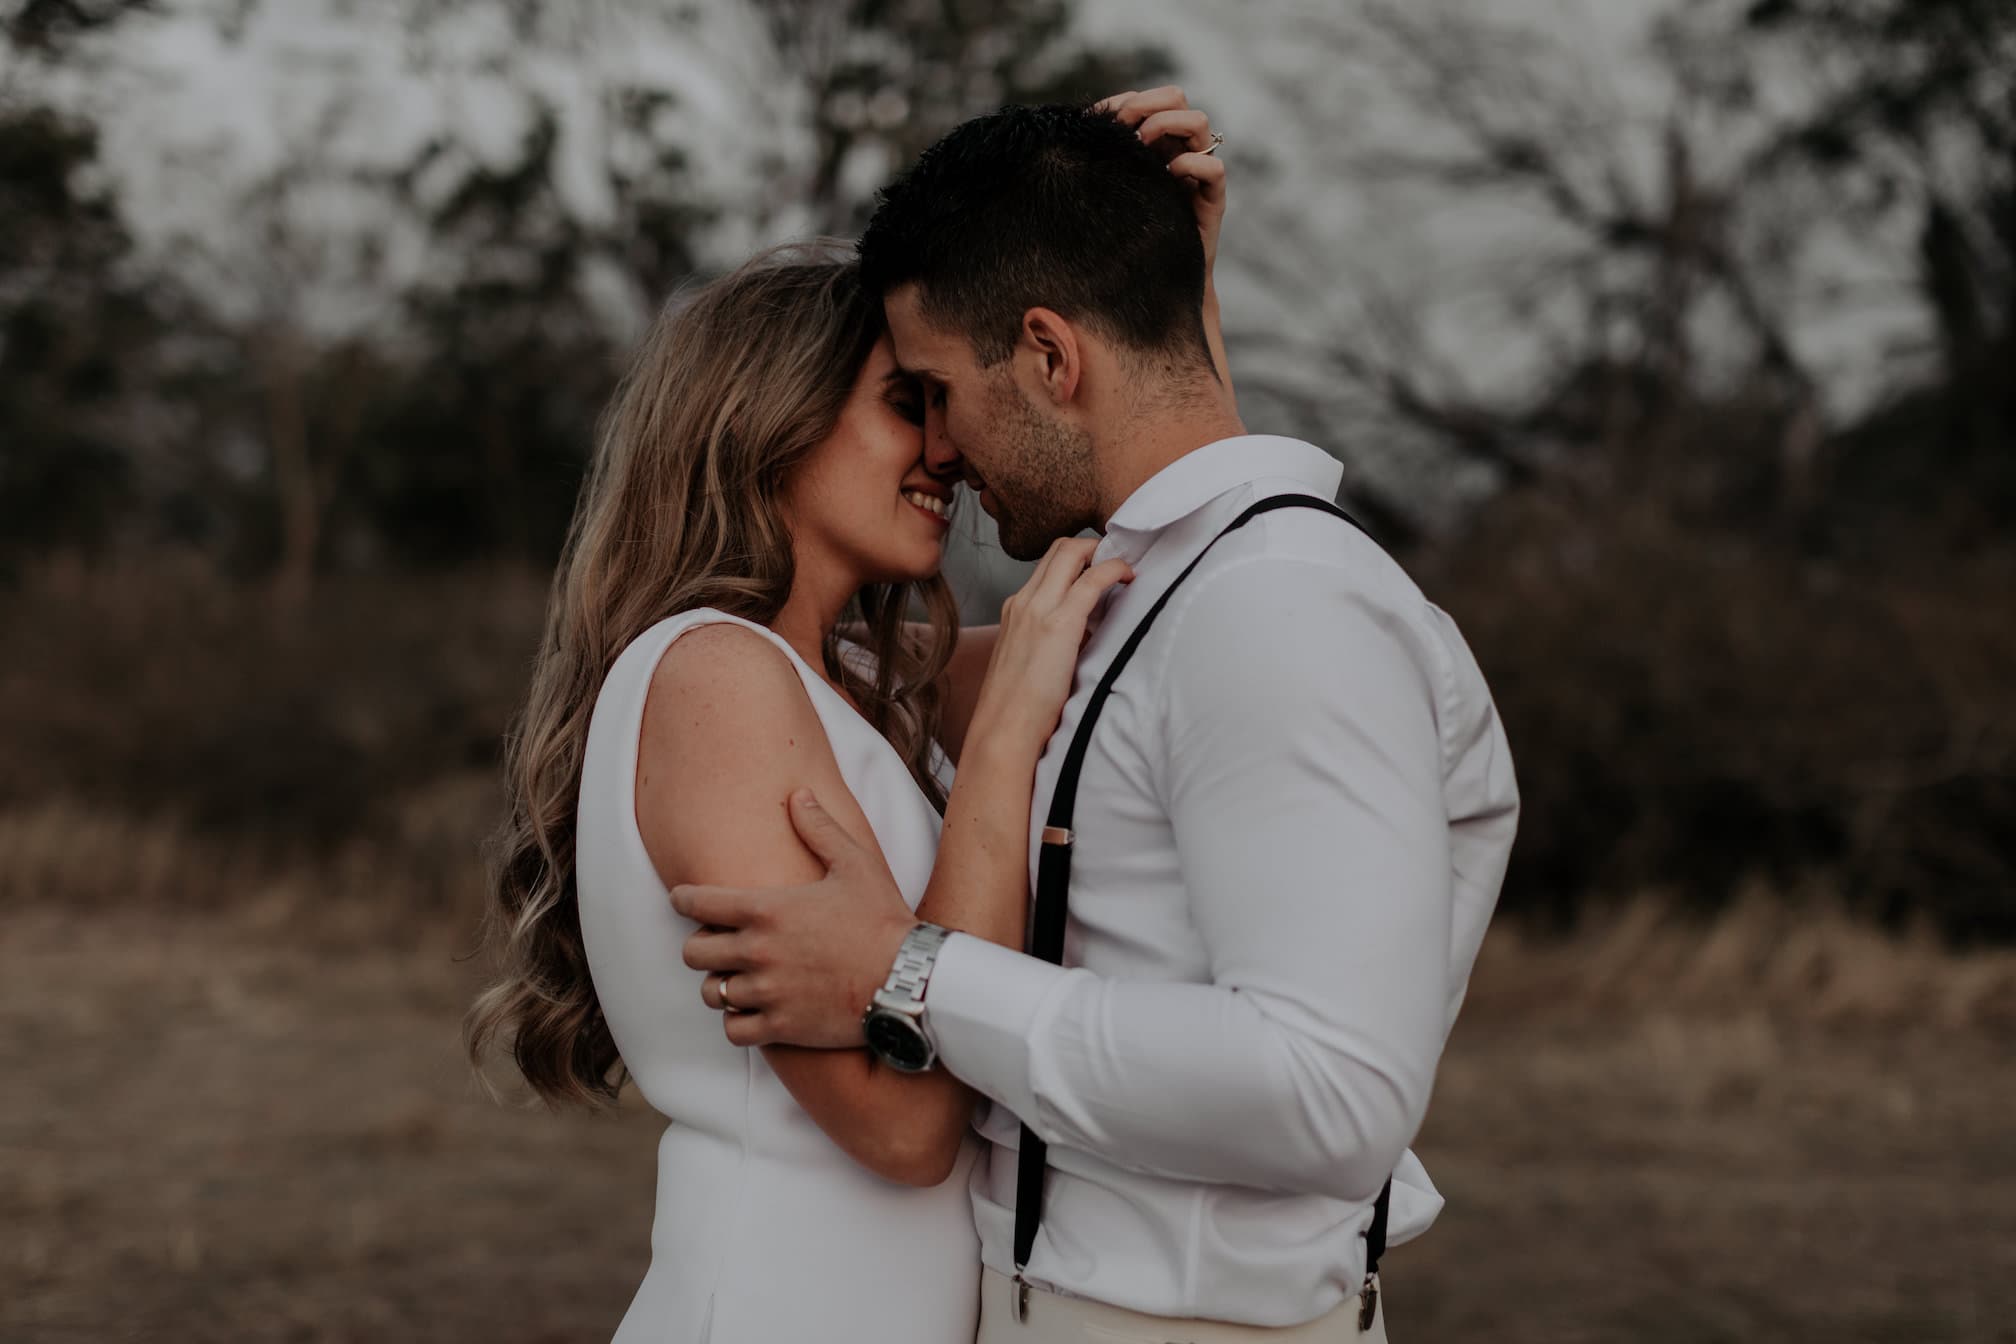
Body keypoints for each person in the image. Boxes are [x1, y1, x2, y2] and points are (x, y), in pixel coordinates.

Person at [668, 100, 1522, 1343]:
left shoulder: (1280, 608)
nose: (943, 449)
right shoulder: (1141, 597)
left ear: (1052, 357)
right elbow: (824, 663)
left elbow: (1332, 1088)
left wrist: (911, 976)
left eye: (940, 394)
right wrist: (1161, 284)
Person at [465, 91, 1231, 1344]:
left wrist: (1164, 304)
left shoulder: (859, 689)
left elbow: (1169, 598)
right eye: (904, 401)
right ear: (767, 422)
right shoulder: (711, 677)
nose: (946, 448)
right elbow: (905, 1122)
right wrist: (1003, 745)